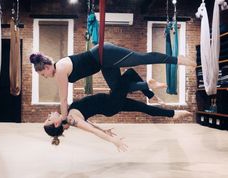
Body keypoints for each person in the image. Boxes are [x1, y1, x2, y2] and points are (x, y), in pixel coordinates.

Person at [30, 42, 195, 121]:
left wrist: (63, 117)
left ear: (45, 67)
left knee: (141, 58)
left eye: (43, 75)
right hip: (104, 65)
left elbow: (64, 99)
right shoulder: (60, 66)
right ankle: (149, 90)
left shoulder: (59, 70)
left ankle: (177, 60)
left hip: (103, 55)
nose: (46, 77)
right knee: (119, 87)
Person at [44, 68, 192, 151]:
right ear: (56, 124)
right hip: (111, 103)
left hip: (111, 103)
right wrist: (112, 140)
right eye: (49, 119)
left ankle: (172, 113)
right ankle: (149, 89)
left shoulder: (69, 118)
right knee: (129, 74)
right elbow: (92, 130)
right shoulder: (71, 119)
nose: (49, 114)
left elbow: (89, 125)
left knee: (142, 107)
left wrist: (104, 130)